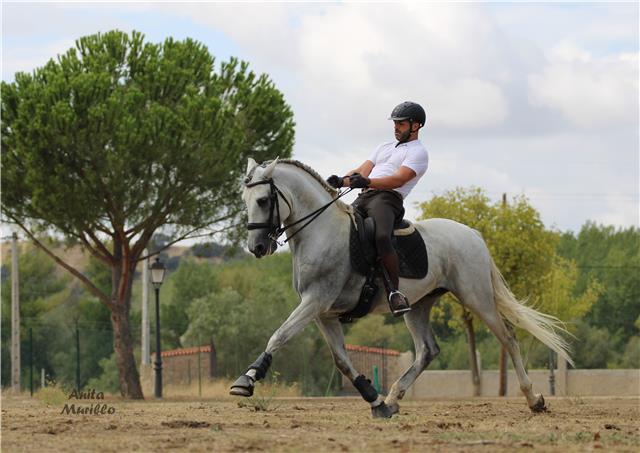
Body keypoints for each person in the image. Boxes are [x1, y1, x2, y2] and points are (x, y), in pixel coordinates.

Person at [327, 101, 429, 315]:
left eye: (401, 123)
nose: (396, 127)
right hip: (365, 195)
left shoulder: (419, 153)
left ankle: (394, 292)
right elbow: (361, 171)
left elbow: (398, 180)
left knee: (382, 236)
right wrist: (340, 181)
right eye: (395, 123)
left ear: (416, 125)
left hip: (388, 199)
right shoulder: (383, 147)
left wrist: (367, 182)